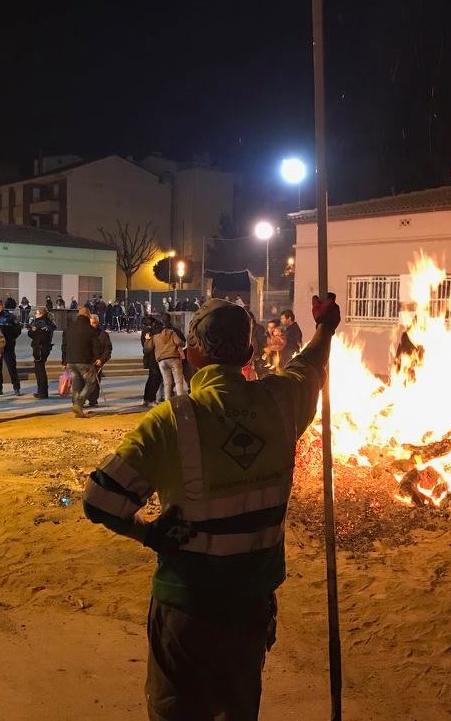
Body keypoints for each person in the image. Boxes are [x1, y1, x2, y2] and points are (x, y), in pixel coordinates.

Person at [82, 294, 340, 719]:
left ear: (193, 355)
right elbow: (310, 366)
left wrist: (148, 533)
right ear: (249, 353)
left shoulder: (172, 420)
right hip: (249, 606)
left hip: (187, 607)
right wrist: (326, 327)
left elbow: (100, 500)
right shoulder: (282, 402)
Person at [61, 306, 99, 418]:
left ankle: (77, 407)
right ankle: (79, 403)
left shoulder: (69, 328)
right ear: (87, 315)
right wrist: (96, 358)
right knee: (91, 382)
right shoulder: (90, 330)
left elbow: (64, 345)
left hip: (71, 361)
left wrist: (64, 360)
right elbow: (95, 347)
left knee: (76, 385)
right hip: (84, 361)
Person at [148, 312, 187, 400]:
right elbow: (180, 342)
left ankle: (167, 400)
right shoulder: (173, 331)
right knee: (178, 381)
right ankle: (180, 400)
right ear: (170, 319)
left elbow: (149, 347)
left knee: (167, 382)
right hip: (174, 358)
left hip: (161, 359)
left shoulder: (156, 334)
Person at [0, 300, 22, 396]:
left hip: (8, 346)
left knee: (11, 367)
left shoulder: (10, 317)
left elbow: (18, 330)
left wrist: (8, 335)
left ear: (2, 306)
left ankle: (16, 388)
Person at [28, 307, 55, 399]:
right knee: (40, 369)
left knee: (39, 370)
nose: (35, 315)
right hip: (45, 347)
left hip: (39, 348)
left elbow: (31, 334)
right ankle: (41, 391)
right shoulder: (48, 322)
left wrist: (32, 330)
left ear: (41, 314)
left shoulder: (39, 322)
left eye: (36, 313)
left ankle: (42, 392)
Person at [88, 314, 113, 407]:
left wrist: (102, 360)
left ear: (97, 323)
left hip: (97, 362)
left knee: (95, 382)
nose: (92, 325)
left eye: (94, 323)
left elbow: (108, 349)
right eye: (90, 323)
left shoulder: (103, 334)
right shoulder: (85, 334)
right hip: (86, 361)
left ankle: (93, 400)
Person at [140, 315, 164, 406]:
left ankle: (147, 399)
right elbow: (147, 347)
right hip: (154, 358)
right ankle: (150, 399)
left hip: (151, 358)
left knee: (152, 379)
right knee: (155, 379)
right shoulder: (150, 331)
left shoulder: (146, 330)